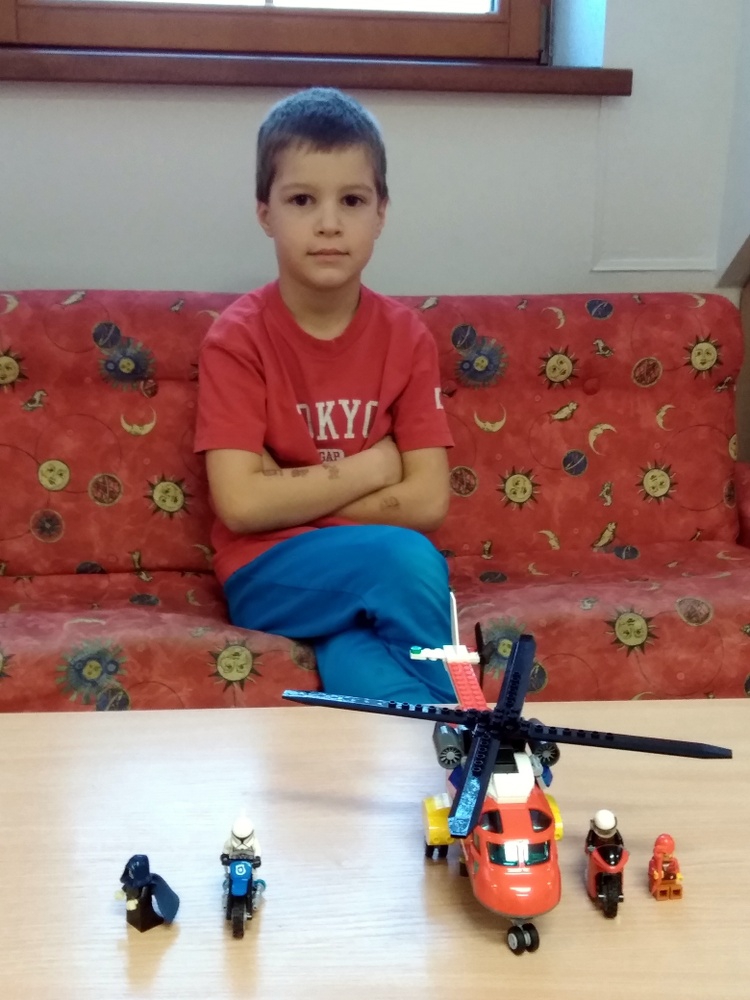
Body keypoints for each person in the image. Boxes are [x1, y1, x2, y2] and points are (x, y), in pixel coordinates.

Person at [195, 87, 455, 704]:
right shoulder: (237, 339)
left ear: (381, 214)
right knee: (409, 560)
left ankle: (434, 747)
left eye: (352, 200)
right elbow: (241, 506)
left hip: (361, 573)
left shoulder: (407, 337)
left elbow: (429, 499)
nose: (329, 223)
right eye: (302, 200)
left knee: (361, 663)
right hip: (268, 570)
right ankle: (475, 735)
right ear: (265, 214)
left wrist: (286, 493)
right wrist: (376, 467)